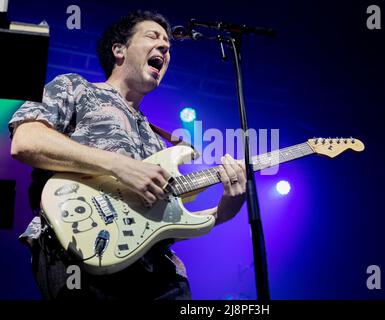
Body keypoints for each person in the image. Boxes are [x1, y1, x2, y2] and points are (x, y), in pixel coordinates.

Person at [8, 10, 246, 300]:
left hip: (159, 275)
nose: (164, 46)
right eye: (152, 36)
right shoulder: (75, 87)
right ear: (119, 50)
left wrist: (225, 210)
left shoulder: (160, 143)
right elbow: (26, 140)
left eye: (167, 44)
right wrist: (120, 166)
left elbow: (165, 225)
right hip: (79, 252)